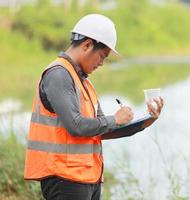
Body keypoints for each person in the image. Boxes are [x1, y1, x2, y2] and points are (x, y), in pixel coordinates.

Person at [24, 14, 164, 200]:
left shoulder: (84, 83)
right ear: (87, 45)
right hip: (64, 179)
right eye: (102, 55)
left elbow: (102, 131)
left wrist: (148, 119)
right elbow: (76, 126)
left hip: (87, 178)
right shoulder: (58, 75)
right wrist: (114, 119)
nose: (102, 63)